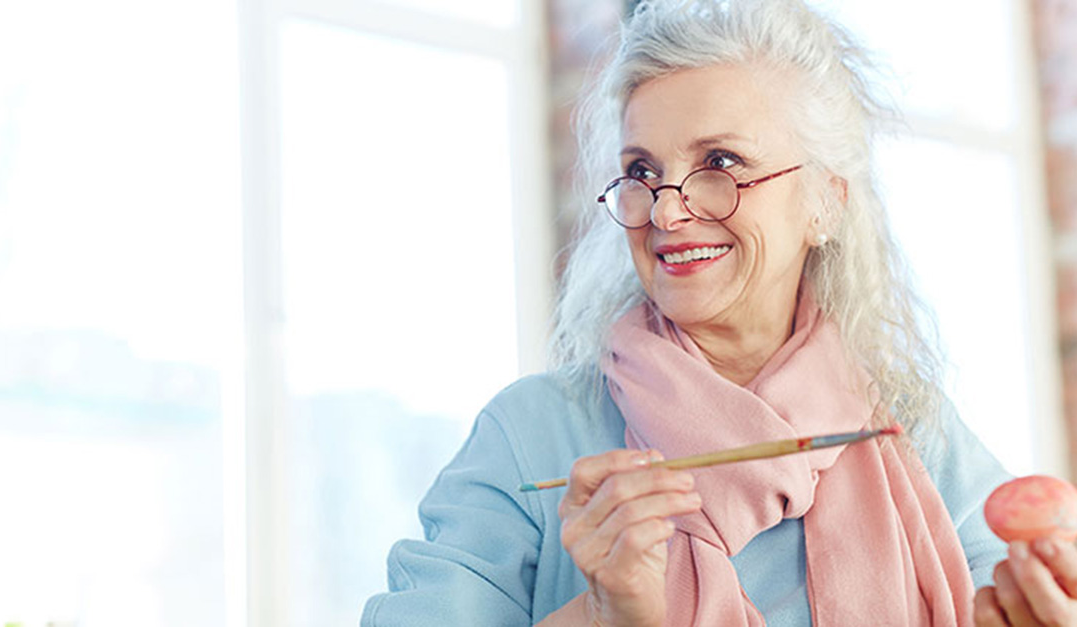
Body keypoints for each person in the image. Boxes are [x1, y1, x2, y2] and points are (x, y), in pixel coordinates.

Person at [362, 1, 1077, 625]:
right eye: (643, 171)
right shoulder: (532, 436)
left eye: (722, 163)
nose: (669, 209)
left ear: (826, 201)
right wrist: (604, 620)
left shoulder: (914, 432)